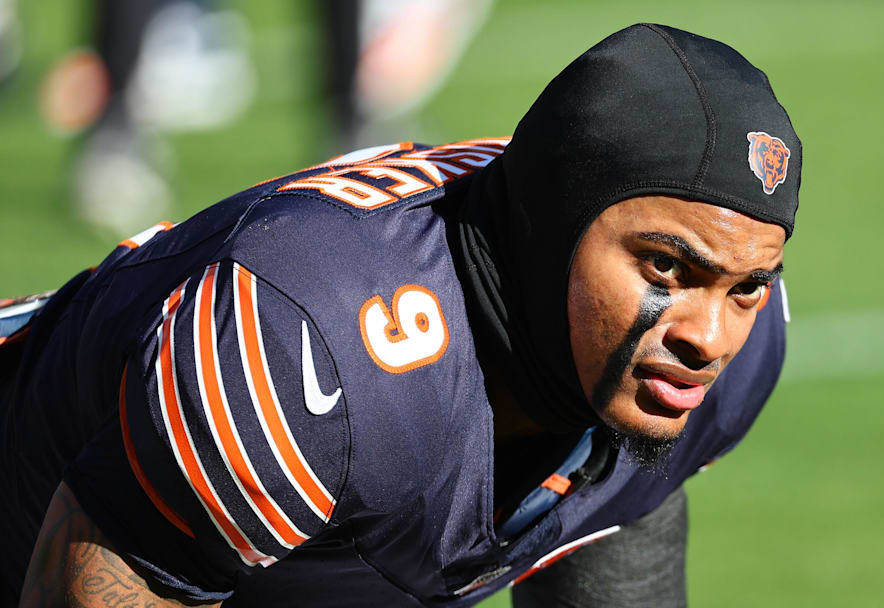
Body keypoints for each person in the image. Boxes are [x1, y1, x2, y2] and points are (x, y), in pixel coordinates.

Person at [1, 23, 801, 607]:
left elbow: (620, 522)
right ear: (548, 222)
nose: (706, 336)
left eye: (746, 285)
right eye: (665, 267)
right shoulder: (315, 334)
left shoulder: (726, 354)